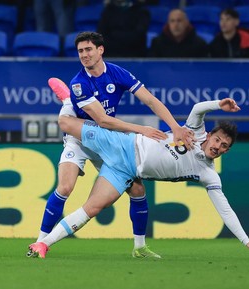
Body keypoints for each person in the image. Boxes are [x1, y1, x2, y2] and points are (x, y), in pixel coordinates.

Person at [28, 97, 249, 258]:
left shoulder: (208, 175)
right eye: (217, 139)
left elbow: (225, 210)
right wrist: (220, 104)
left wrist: (245, 240)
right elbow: (198, 109)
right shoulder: (194, 132)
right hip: (122, 143)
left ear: (227, 150)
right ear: (209, 135)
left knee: (91, 209)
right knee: (66, 124)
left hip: (125, 171)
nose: (218, 146)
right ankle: (68, 99)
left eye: (224, 145)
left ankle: (43, 244)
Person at [27, 31, 194, 259]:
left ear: (100, 50)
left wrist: (175, 127)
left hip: (106, 139)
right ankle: (39, 242)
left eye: (88, 49)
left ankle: (140, 248)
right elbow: (102, 120)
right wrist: (141, 128)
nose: (84, 55)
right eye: (80, 51)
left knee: (137, 189)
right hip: (82, 136)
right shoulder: (79, 83)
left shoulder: (117, 73)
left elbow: (151, 100)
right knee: (65, 186)